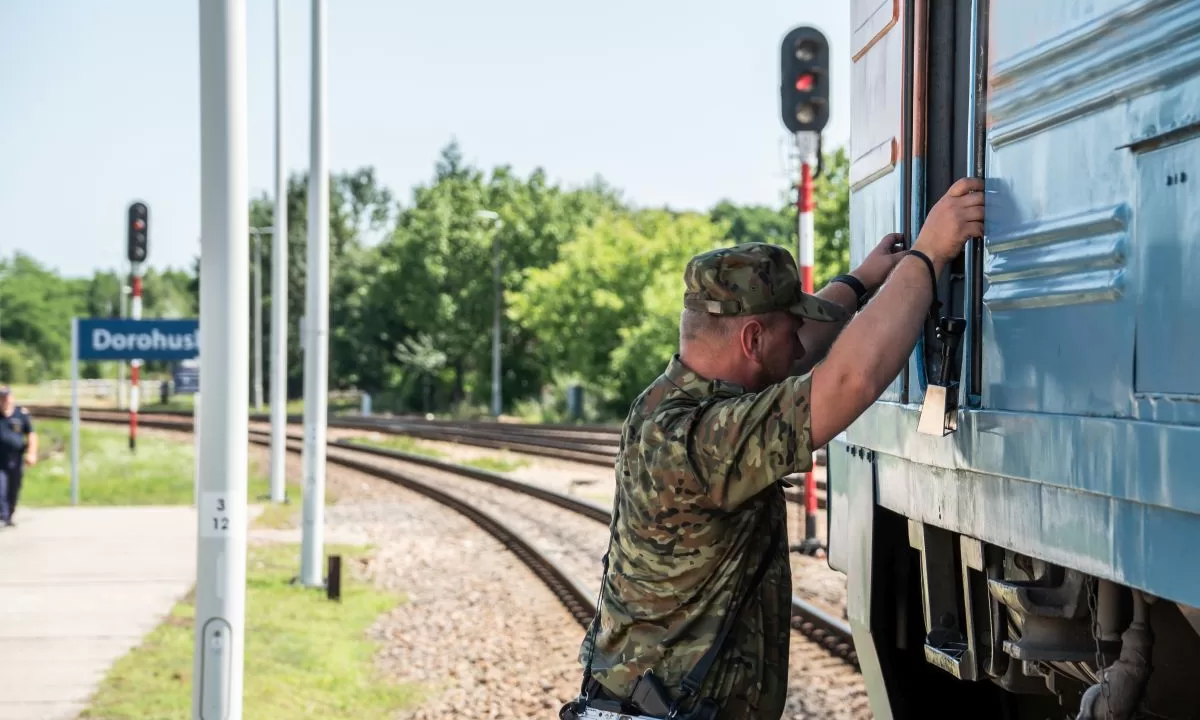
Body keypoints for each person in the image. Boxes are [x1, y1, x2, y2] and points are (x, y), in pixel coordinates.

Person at [562, 177, 985, 720]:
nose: (801, 340)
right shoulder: (702, 439)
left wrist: (860, 282)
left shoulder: (667, 403)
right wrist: (928, 255)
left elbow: (797, 353)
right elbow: (848, 380)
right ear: (753, 340)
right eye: (791, 328)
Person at [0, 386, 38, 528]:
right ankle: (3, 515)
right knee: (1, 487)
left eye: (6, 398)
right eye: (1, 398)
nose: (4, 401)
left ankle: (9, 514)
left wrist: (32, 453)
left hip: (16, 458)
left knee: (14, 488)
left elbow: (31, 434)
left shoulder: (21, 415)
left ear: (12, 398)